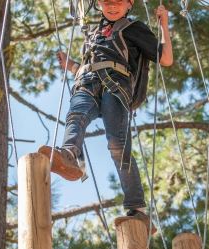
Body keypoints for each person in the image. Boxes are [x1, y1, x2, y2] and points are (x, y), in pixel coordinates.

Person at [39, 0, 173, 231]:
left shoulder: (133, 28)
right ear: (98, 4)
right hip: (88, 83)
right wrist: (72, 66)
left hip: (115, 85)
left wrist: (164, 25)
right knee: (76, 116)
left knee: (117, 145)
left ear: (129, 4)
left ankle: (137, 210)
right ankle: (69, 155)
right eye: (106, 1)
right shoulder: (94, 32)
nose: (112, 6)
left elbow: (165, 59)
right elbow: (92, 63)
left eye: (118, 1)